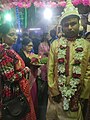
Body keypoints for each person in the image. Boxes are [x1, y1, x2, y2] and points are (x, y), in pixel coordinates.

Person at [46, 0, 90, 120]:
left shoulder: (86, 45)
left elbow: (88, 72)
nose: (70, 27)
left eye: (73, 23)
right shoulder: (55, 44)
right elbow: (49, 70)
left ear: (79, 24)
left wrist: (84, 94)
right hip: (57, 96)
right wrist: (54, 91)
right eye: (66, 25)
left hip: (77, 94)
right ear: (62, 27)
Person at [0, 23, 36, 120]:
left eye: (15, 34)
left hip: (16, 90)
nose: (15, 37)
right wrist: (24, 71)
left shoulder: (9, 50)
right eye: (11, 35)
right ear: (2, 35)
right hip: (10, 94)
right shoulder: (4, 52)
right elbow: (10, 78)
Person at [18, 37, 39, 117]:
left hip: (32, 77)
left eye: (32, 46)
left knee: (33, 94)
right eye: (29, 46)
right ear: (23, 46)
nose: (31, 48)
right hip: (24, 79)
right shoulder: (20, 54)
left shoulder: (32, 54)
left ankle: (32, 112)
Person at [38, 33, 50, 120]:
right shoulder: (41, 44)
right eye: (46, 36)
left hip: (49, 62)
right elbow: (40, 54)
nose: (47, 37)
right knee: (43, 78)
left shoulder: (49, 43)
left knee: (48, 77)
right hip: (43, 62)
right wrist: (45, 53)